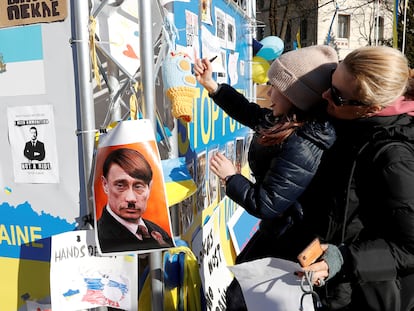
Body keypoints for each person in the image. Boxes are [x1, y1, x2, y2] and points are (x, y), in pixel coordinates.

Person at [194, 45, 338, 309]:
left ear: (296, 96)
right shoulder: (287, 121)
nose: (268, 92)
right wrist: (213, 86)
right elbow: (249, 113)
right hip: (279, 235)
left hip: (289, 245)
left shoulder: (303, 143)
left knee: (245, 300)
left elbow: (268, 203)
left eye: (275, 87)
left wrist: (231, 177)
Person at [290, 46, 414, 311]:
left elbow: (409, 247)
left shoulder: (395, 158)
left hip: (363, 294)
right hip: (326, 284)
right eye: (331, 79)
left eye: (336, 95)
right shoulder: (349, 120)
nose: (325, 95)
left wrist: (343, 258)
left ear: (372, 108)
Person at [97, 147, 174, 253]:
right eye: (120, 186)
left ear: (149, 188)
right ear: (105, 185)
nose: (131, 199)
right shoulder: (99, 236)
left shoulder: (159, 232)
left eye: (138, 186)